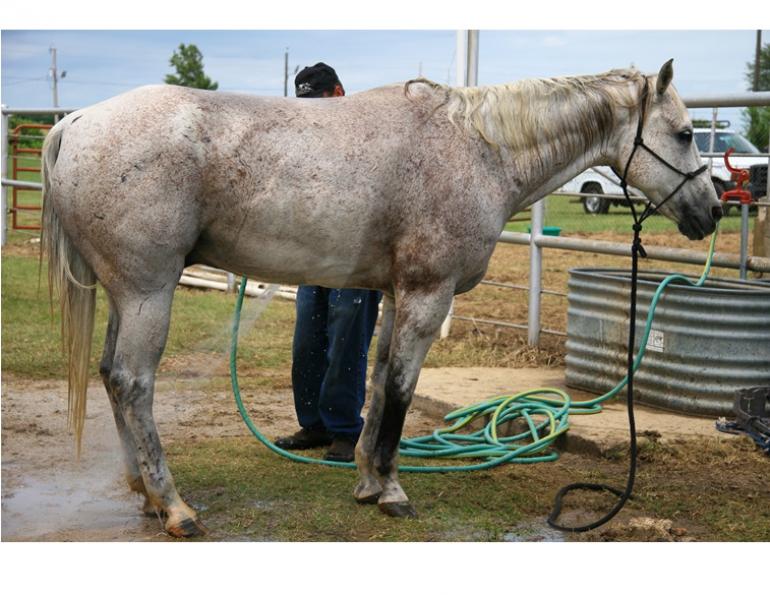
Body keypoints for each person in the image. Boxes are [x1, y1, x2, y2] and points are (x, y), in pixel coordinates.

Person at [275, 63, 382, 463]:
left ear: (337, 93)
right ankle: (314, 424)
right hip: (315, 258)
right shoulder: (307, 141)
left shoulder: (368, 136)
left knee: (346, 343)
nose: (311, 114)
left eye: (317, 103)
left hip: (357, 260)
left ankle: (345, 430)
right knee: (307, 341)